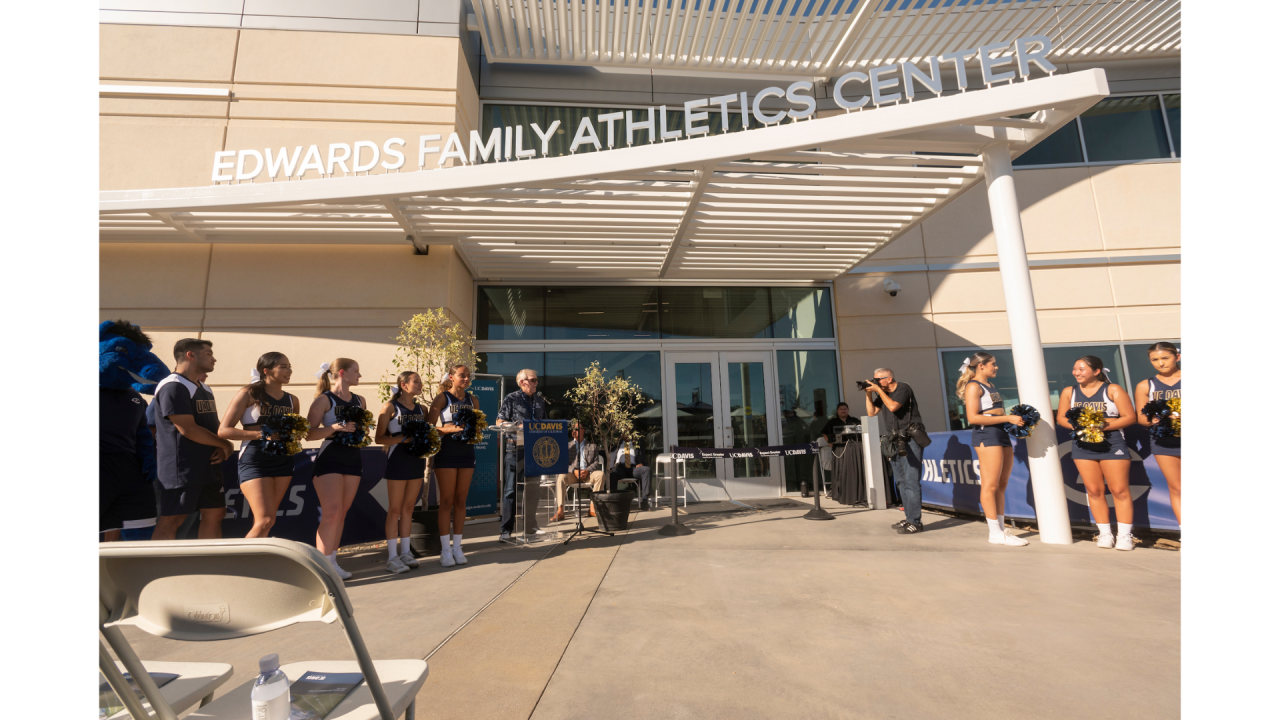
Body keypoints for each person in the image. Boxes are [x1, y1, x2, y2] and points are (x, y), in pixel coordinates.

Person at [152, 339, 234, 541]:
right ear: (191, 355)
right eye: (208, 353)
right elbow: (187, 428)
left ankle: (209, 566)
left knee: (215, 513)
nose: (214, 358)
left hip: (208, 465)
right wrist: (224, 443)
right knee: (173, 518)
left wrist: (220, 445)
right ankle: (155, 566)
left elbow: (211, 427)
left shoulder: (205, 388)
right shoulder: (173, 386)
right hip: (181, 467)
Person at [1055, 355, 1138, 551]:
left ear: (1097, 371)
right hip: (1083, 445)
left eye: (1082, 369)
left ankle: (1125, 535)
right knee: (1094, 490)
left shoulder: (1113, 389)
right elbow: (1061, 418)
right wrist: (1080, 427)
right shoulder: (1069, 392)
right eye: (1075, 369)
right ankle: (1105, 533)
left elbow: (1129, 417)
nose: (1076, 373)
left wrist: (1101, 426)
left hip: (1112, 444)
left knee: (1119, 490)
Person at [217, 352, 299, 539]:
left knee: (267, 521)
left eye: (289, 366)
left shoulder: (292, 400)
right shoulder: (249, 393)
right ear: (266, 370)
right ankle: (239, 564)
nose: (289, 371)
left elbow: (293, 431)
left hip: (283, 460)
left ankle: (253, 564)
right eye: (283, 367)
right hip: (255, 460)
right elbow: (224, 430)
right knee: (265, 520)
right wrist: (261, 434)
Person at [956, 353, 1028, 547]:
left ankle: (1001, 530)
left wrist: (1013, 419)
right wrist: (1007, 418)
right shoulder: (974, 386)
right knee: (990, 485)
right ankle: (994, 533)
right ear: (981, 366)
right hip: (986, 435)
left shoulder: (991, 386)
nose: (996, 368)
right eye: (993, 365)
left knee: (1002, 484)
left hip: (1000, 433)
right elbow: (973, 418)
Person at [305, 358, 367, 579]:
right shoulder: (324, 400)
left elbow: (361, 430)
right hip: (330, 457)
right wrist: (335, 427)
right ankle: (322, 567)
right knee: (331, 513)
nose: (359, 375)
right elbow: (308, 433)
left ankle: (332, 562)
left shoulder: (360, 400)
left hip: (353, 457)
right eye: (356, 371)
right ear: (342, 373)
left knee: (341, 513)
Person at [99, 324, 159, 542]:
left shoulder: (133, 397)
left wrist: (146, 459)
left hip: (127, 467)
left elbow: (142, 433)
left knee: (123, 524)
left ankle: (110, 568)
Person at [374, 371, 427, 574]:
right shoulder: (390, 407)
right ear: (404, 385)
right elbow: (379, 438)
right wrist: (403, 439)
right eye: (416, 381)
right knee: (394, 509)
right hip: (397, 460)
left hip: (416, 460)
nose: (420, 384)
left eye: (420, 381)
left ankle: (406, 552)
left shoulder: (422, 408)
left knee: (408, 508)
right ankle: (392, 557)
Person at [428, 365, 479, 567]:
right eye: (462, 375)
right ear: (451, 377)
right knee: (446, 500)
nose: (466, 379)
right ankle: (445, 550)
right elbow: (429, 426)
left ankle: (457, 547)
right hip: (446, 452)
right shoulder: (442, 398)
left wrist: (474, 430)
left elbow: (477, 423)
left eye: (468, 376)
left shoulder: (473, 400)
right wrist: (445, 429)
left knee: (461, 500)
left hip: (466, 452)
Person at [864, 367, 925, 534]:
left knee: (911, 482)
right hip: (895, 441)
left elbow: (893, 407)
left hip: (910, 440)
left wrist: (878, 391)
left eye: (878, 380)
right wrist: (869, 393)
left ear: (889, 379)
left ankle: (916, 522)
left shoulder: (903, 388)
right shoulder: (882, 393)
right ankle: (909, 518)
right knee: (901, 482)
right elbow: (871, 413)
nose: (876, 383)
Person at [496, 368, 548, 541]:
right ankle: (506, 530)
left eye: (536, 380)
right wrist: (519, 428)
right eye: (533, 380)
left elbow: (545, 423)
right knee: (511, 490)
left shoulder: (540, 400)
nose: (535, 383)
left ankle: (530, 526)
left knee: (533, 489)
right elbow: (500, 421)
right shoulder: (511, 398)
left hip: (535, 450)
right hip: (514, 449)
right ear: (522, 382)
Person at [1134, 341, 1181, 526]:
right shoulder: (1145, 386)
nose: (1160, 363)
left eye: (1165, 358)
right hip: (1163, 441)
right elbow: (1141, 418)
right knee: (1177, 487)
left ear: (1177, 357)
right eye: (1155, 360)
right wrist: (1155, 419)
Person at [553, 423, 605, 521]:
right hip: (573, 475)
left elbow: (596, 462)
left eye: (576, 429)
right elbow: (563, 463)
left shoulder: (592, 446)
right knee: (561, 477)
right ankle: (560, 510)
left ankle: (592, 507)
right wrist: (574, 471)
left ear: (583, 430)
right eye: (573, 429)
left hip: (588, 474)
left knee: (601, 474)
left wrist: (587, 471)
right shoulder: (567, 446)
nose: (574, 431)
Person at [609, 432, 652, 511]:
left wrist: (641, 463)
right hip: (620, 468)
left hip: (633, 468)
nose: (626, 434)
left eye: (629, 432)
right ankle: (613, 501)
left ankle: (645, 500)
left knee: (646, 469)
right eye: (624, 432)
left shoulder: (637, 445)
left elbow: (643, 457)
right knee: (613, 472)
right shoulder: (616, 445)